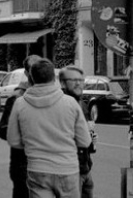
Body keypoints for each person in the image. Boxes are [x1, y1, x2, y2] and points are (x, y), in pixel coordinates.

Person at [7, 58, 91, 198]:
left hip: (37, 169)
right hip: (67, 169)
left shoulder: (20, 104)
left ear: (32, 78)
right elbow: (85, 141)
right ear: (54, 78)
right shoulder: (70, 103)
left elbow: (13, 140)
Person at [0, 55, 42, 198]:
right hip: (23, 165)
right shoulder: (17, 98)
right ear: (27, 73)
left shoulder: (51, 96)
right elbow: (3, 129)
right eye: (34, 69)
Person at [58, 66, 96, 198]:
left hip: (85, 167)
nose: (79, 83)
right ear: (63, 83)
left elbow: (87, 135)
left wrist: (91, 141)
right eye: (73, 80)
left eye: (81, 79)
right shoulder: (58, 105)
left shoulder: (83, 105)